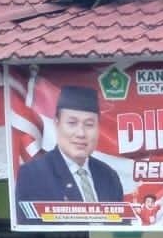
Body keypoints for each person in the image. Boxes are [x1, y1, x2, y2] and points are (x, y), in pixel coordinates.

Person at [14, 85, 125, 222]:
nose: (81, 133)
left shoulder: (109, 176)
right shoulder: (34, 174)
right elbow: (30, 227)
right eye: (72, 123)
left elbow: (120, 227)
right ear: (56, 123)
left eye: (89, 125)